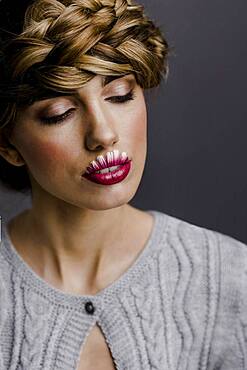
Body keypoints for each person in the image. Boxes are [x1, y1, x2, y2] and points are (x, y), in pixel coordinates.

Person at [0, 0, 246, 369]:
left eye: (120, 95)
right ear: (8, 144)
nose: (103, 133)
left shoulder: (231, 277)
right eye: (60, 114)